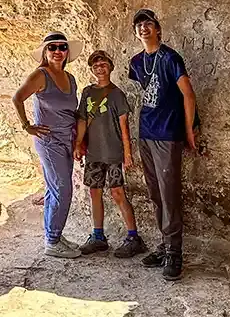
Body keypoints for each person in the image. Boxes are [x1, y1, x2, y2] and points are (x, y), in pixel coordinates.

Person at [127, 9, 200, 282]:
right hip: (145, 133)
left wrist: (189, 131)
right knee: (156, 193)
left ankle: (175, 252)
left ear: (158, 28)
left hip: (168, 134)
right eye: (139, 25)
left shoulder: (170, 58)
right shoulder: (136, 62)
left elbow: (188, 95)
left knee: (169, 195)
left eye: (148, 24)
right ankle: (164, 244)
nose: (144, 28)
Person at [12, 31, 82, 258]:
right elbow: (17, 98)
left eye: (62, 47)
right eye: (52, 48)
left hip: (67, 139)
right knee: (63, 188)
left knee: (55, 188)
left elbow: (73, 110)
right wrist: (27, 126)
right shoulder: (41, 75)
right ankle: (52, 242)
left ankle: (54, 234)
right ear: (45, 52)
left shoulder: (70, 79)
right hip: (49, 140)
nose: (58, 52)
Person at [73, 50, 147, 258]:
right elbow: (82, 120)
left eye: (103, 64)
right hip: (94, 154)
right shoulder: (87, 93)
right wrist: (78, 144)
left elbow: (124, 127)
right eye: (96, 66)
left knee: (117, 194)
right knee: (94, 193)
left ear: (111, 67)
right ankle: (98, 236)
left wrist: (127, 153)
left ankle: (133, 237)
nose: (100, 68)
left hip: (113, 153)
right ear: (92, 70)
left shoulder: (117, 95)